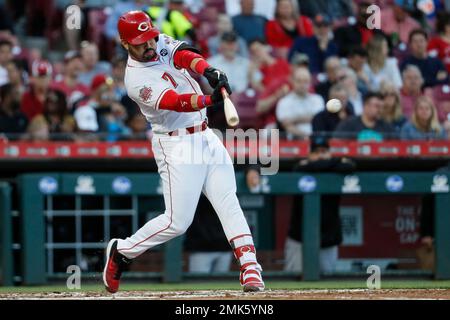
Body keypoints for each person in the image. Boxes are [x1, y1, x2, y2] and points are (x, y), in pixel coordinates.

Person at [103, 11, 264, 293]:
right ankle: (122, 251)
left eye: (150, 37)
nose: (149, 45)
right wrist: (208, 99)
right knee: (178, 222)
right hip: (175, 144)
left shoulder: (156, 40)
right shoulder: (135, 80)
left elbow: (184, 54)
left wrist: (208, 70)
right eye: (140, 42)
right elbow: (174, 102)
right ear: (125, 44)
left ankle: (250, 267)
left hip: (205, 134)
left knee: (228, 200)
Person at [284, 135, 355, 274]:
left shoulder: (338, 169)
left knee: (327, 281)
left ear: (330, 153)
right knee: (292, 279)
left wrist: (325, 163)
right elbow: (299, 168)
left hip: (328, 238)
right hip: (299, 238)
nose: (321, 156)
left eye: (324, 152)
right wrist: (336, 161)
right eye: (316, 152)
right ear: (309, 155)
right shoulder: (301, 167)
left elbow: (350, 166)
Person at [185, 166, 261, 274]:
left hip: (224, 245)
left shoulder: (226, 163)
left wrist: (252, 170)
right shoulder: (195, 163)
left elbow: (247, 160)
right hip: (201, 247)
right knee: (199, 285)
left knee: (221, 284)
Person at [276, 68, 324, 139]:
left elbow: (319, 119)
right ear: (292, 81)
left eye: (305, 81)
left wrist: (293, 119)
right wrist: (304, 136)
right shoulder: (284, 102)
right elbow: (286, 124)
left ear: (310, 83)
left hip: (316, 140)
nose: (302, 85)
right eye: (299, 81)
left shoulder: (317, 99)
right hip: (294, 141)